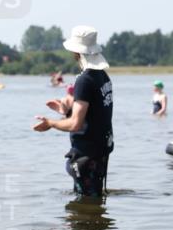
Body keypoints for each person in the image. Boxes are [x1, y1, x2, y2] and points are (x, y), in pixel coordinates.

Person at [33, 26, 114, 198]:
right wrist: (66, 111)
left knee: (86, 203)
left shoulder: (85, 80)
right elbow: (93, 114)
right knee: (95, 200)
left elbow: (76, 124)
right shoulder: (103, 76)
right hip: (100, 150)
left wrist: (51, 123)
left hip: (87, 155)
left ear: (76, 52)